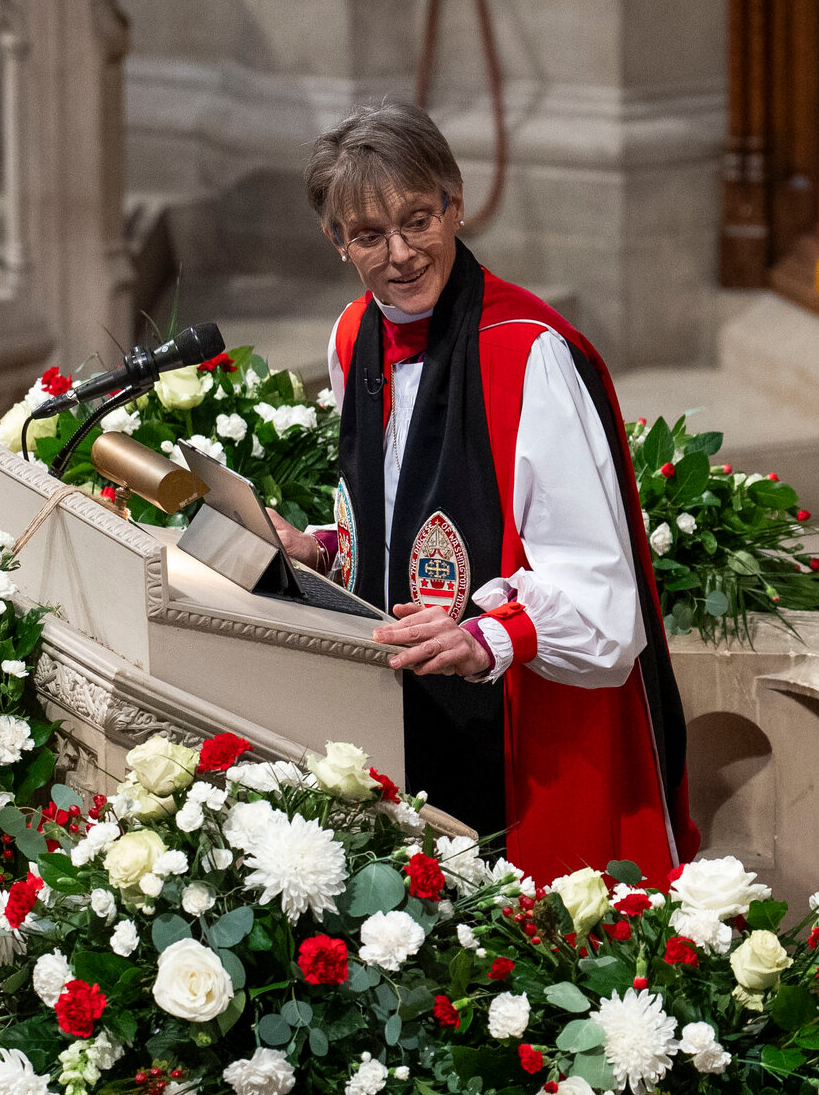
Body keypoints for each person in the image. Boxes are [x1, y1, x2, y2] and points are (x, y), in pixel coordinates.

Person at [273, 99, 697, 884]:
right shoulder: (351, 335)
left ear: (455, 204)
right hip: (397, 712)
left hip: (521, 731)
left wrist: (484, 637)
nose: (400, 254)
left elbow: (602, 599)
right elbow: (399, 515)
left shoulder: (527, 357)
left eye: (417, 221)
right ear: (338, 243)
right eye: (369, 235)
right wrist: (324, 548)